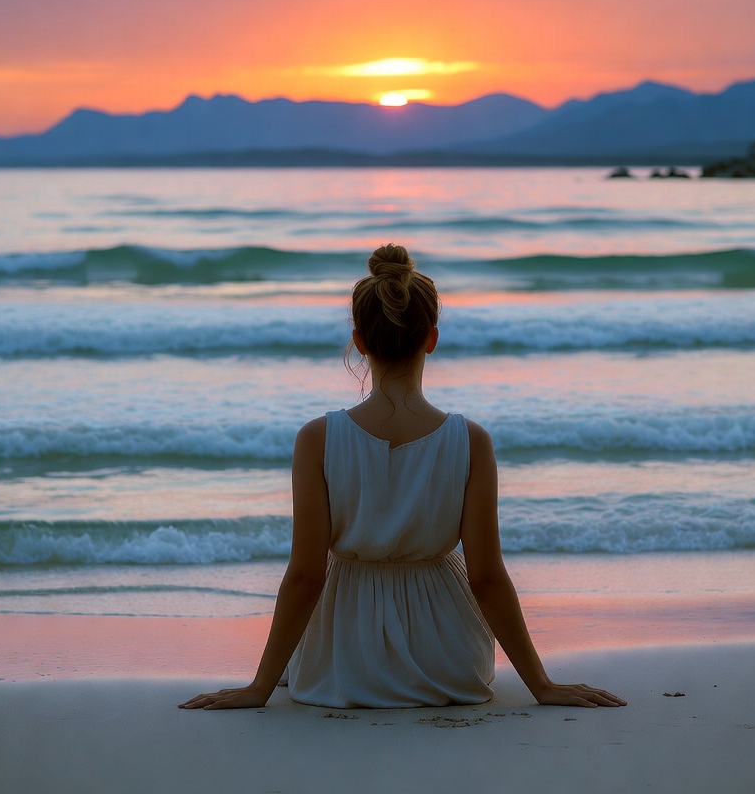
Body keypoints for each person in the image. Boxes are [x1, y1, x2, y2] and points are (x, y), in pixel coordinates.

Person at [180, 245, 626, 711]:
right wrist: (542, 686)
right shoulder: (471, 440)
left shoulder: (318, 438)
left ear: (361, 340)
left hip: (344, 659)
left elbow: (306, 576)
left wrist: (259, 688)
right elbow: (488, 576)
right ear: (431, 338)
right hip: (448, 660)